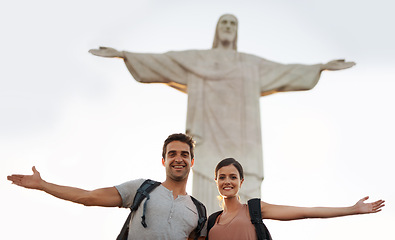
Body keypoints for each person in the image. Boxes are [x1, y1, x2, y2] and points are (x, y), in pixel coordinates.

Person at [89, 14, 356, 213]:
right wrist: (124, 55)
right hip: (207, 136)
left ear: (236, 32)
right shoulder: (199, 59)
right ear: (218, 30)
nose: (228, 28)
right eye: (224, 23)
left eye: (232, 24)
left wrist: (320, 67)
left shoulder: (250, 64)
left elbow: (285, 71)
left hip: (243, 141)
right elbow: (165, 61)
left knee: (247, 205)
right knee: (206, 204)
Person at [7, 133, 207, 240]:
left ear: (192, 161)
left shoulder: (197, 211)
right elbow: (88, 197)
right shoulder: (142, 189)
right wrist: (43, 185)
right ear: (163, 161)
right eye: (172, 154)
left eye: (184, 154)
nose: (178, 159)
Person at [206, 158, 385, 240]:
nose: (227, 181)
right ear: (216, 181)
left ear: (241, 181)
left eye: (233, 177)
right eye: (222, 177)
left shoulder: (253, 209)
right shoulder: (212, 221)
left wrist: (352, 209)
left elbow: (306, 212)